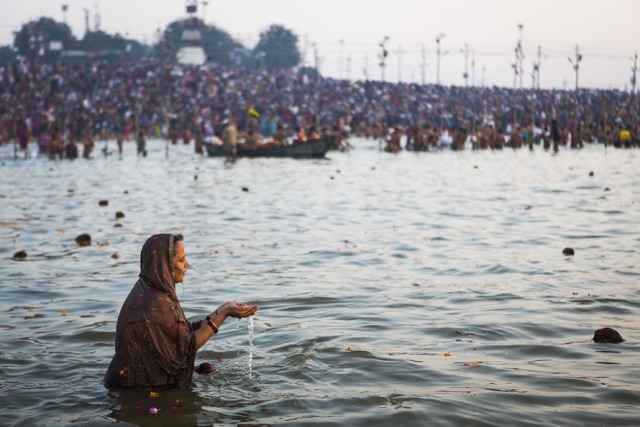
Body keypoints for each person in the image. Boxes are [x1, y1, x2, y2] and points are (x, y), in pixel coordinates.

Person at [104, 234, 258, 389]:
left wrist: (223, 308)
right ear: (164, 265)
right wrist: (224, 314)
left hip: (125, 382)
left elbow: (180, 334)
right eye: (180, 260)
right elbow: (187, 348)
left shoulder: (147, 290)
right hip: (139, 389)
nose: (187, 264)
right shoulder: (157, 302)